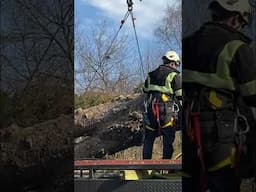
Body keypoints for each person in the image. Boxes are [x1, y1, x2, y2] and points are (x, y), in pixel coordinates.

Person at [182, 0, 256, 191]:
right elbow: (252, 94)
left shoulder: (188, 43)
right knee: (223, 182)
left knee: (190, 181)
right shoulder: (237, 47)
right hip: (220, 129)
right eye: (242, 23)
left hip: (188, 125)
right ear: (235, 18)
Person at [142, 50, 182, 159]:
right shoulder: (174, 75)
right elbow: (180, 95)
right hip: (166, 109)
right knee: (168, 137)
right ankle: (166, 164)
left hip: (151, 108)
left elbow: (145, 90)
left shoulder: (151, 75)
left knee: (149, 138)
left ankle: (146, 165)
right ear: (173, 63)